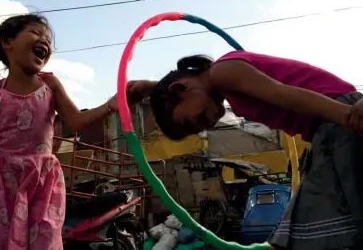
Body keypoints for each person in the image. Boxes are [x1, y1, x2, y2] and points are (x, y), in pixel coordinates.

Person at [0, 14, 122, 250]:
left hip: (42, 180)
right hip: (0, 183)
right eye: (36, 33)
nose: (45, 42)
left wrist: (111, 104)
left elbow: (77, 121)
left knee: (43, 241)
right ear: (8, 42)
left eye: (48, 40)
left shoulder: (51, 85)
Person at [132, 51, 363, 250]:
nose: (201, 127)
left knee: (317, 227)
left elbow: (281, 93)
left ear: (181, 88)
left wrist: (348, 116)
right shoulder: (217, 84)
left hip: (339, 118)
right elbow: (188, 90)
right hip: (329, 130)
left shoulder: (222, 73)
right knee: (306, 226)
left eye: (189, 123)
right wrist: (152, 88)